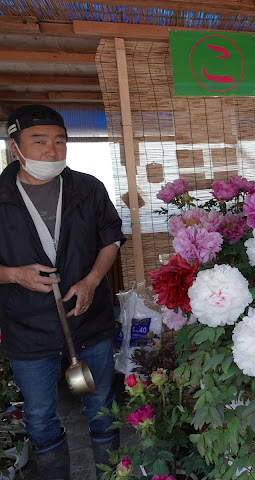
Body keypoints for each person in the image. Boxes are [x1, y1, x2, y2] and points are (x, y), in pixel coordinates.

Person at [0, 105, 126, 479]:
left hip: (89, 319)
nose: (52, 151)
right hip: (27, 328)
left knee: (102, 403)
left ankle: (110, 474)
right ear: (14, 147)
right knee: (39, 415)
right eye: (39, 142)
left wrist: (91, 281)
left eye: (60, 142)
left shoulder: (88, 187)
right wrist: (13, 274)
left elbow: (111, 238)